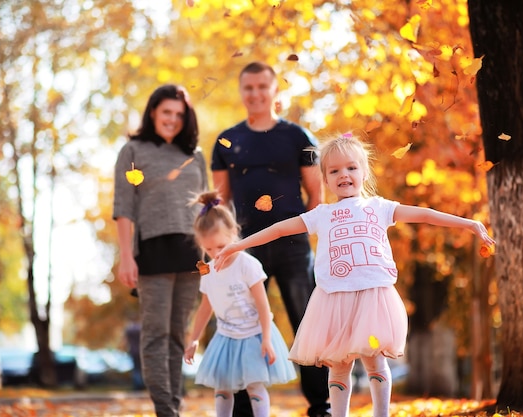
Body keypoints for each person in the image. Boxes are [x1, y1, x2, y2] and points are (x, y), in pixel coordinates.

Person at [214, 134, 496, 417]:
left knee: (374, 361)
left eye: (350, 167)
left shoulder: (380, 208)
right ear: (325, 180)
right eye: (334, 171)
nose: (343, 175)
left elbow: (425, 215)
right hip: (334, 302)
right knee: (338, 365)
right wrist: (239, 244)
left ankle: (381, 414)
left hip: (373, 298)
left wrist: (469, 224)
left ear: (364, 172)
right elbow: (279, 229)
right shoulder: (321, 215)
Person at [211, 61, 330, 417]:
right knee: (245, 325)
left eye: (263, 86)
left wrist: (301, 230)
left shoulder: (298, 137)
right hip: (246, 249)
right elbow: (220, 202)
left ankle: (320, 406)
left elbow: (316, 196)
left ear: (274, 90)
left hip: (293, 248)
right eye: (248, 87)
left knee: (305, 324)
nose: (256, 94)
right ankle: (245, 408)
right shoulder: (226, 141)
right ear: (241, 91)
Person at [113, 84, 207, 417]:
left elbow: (207, 209)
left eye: (179, 115)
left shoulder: (194, 155)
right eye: (166, 112)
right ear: (153, 112)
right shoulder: (133, 150)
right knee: (155, 335)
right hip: (152, 252)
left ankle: (174, 408)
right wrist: (126, 257)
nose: (172, 120)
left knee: (177, 337)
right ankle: (166, 411)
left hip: (192, 255)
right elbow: (123, 207)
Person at [183, 191, 297, 417]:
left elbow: (263, 305)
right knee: (222, 387)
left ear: (234, 233)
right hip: (226, 337)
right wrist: (194, 339)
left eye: (221, 246)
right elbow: (206, 307)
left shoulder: (247, 264)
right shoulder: (208, 270)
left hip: (254, 334)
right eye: (208, 249)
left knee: (255, 385)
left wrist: (266, 338)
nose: (216, 254)